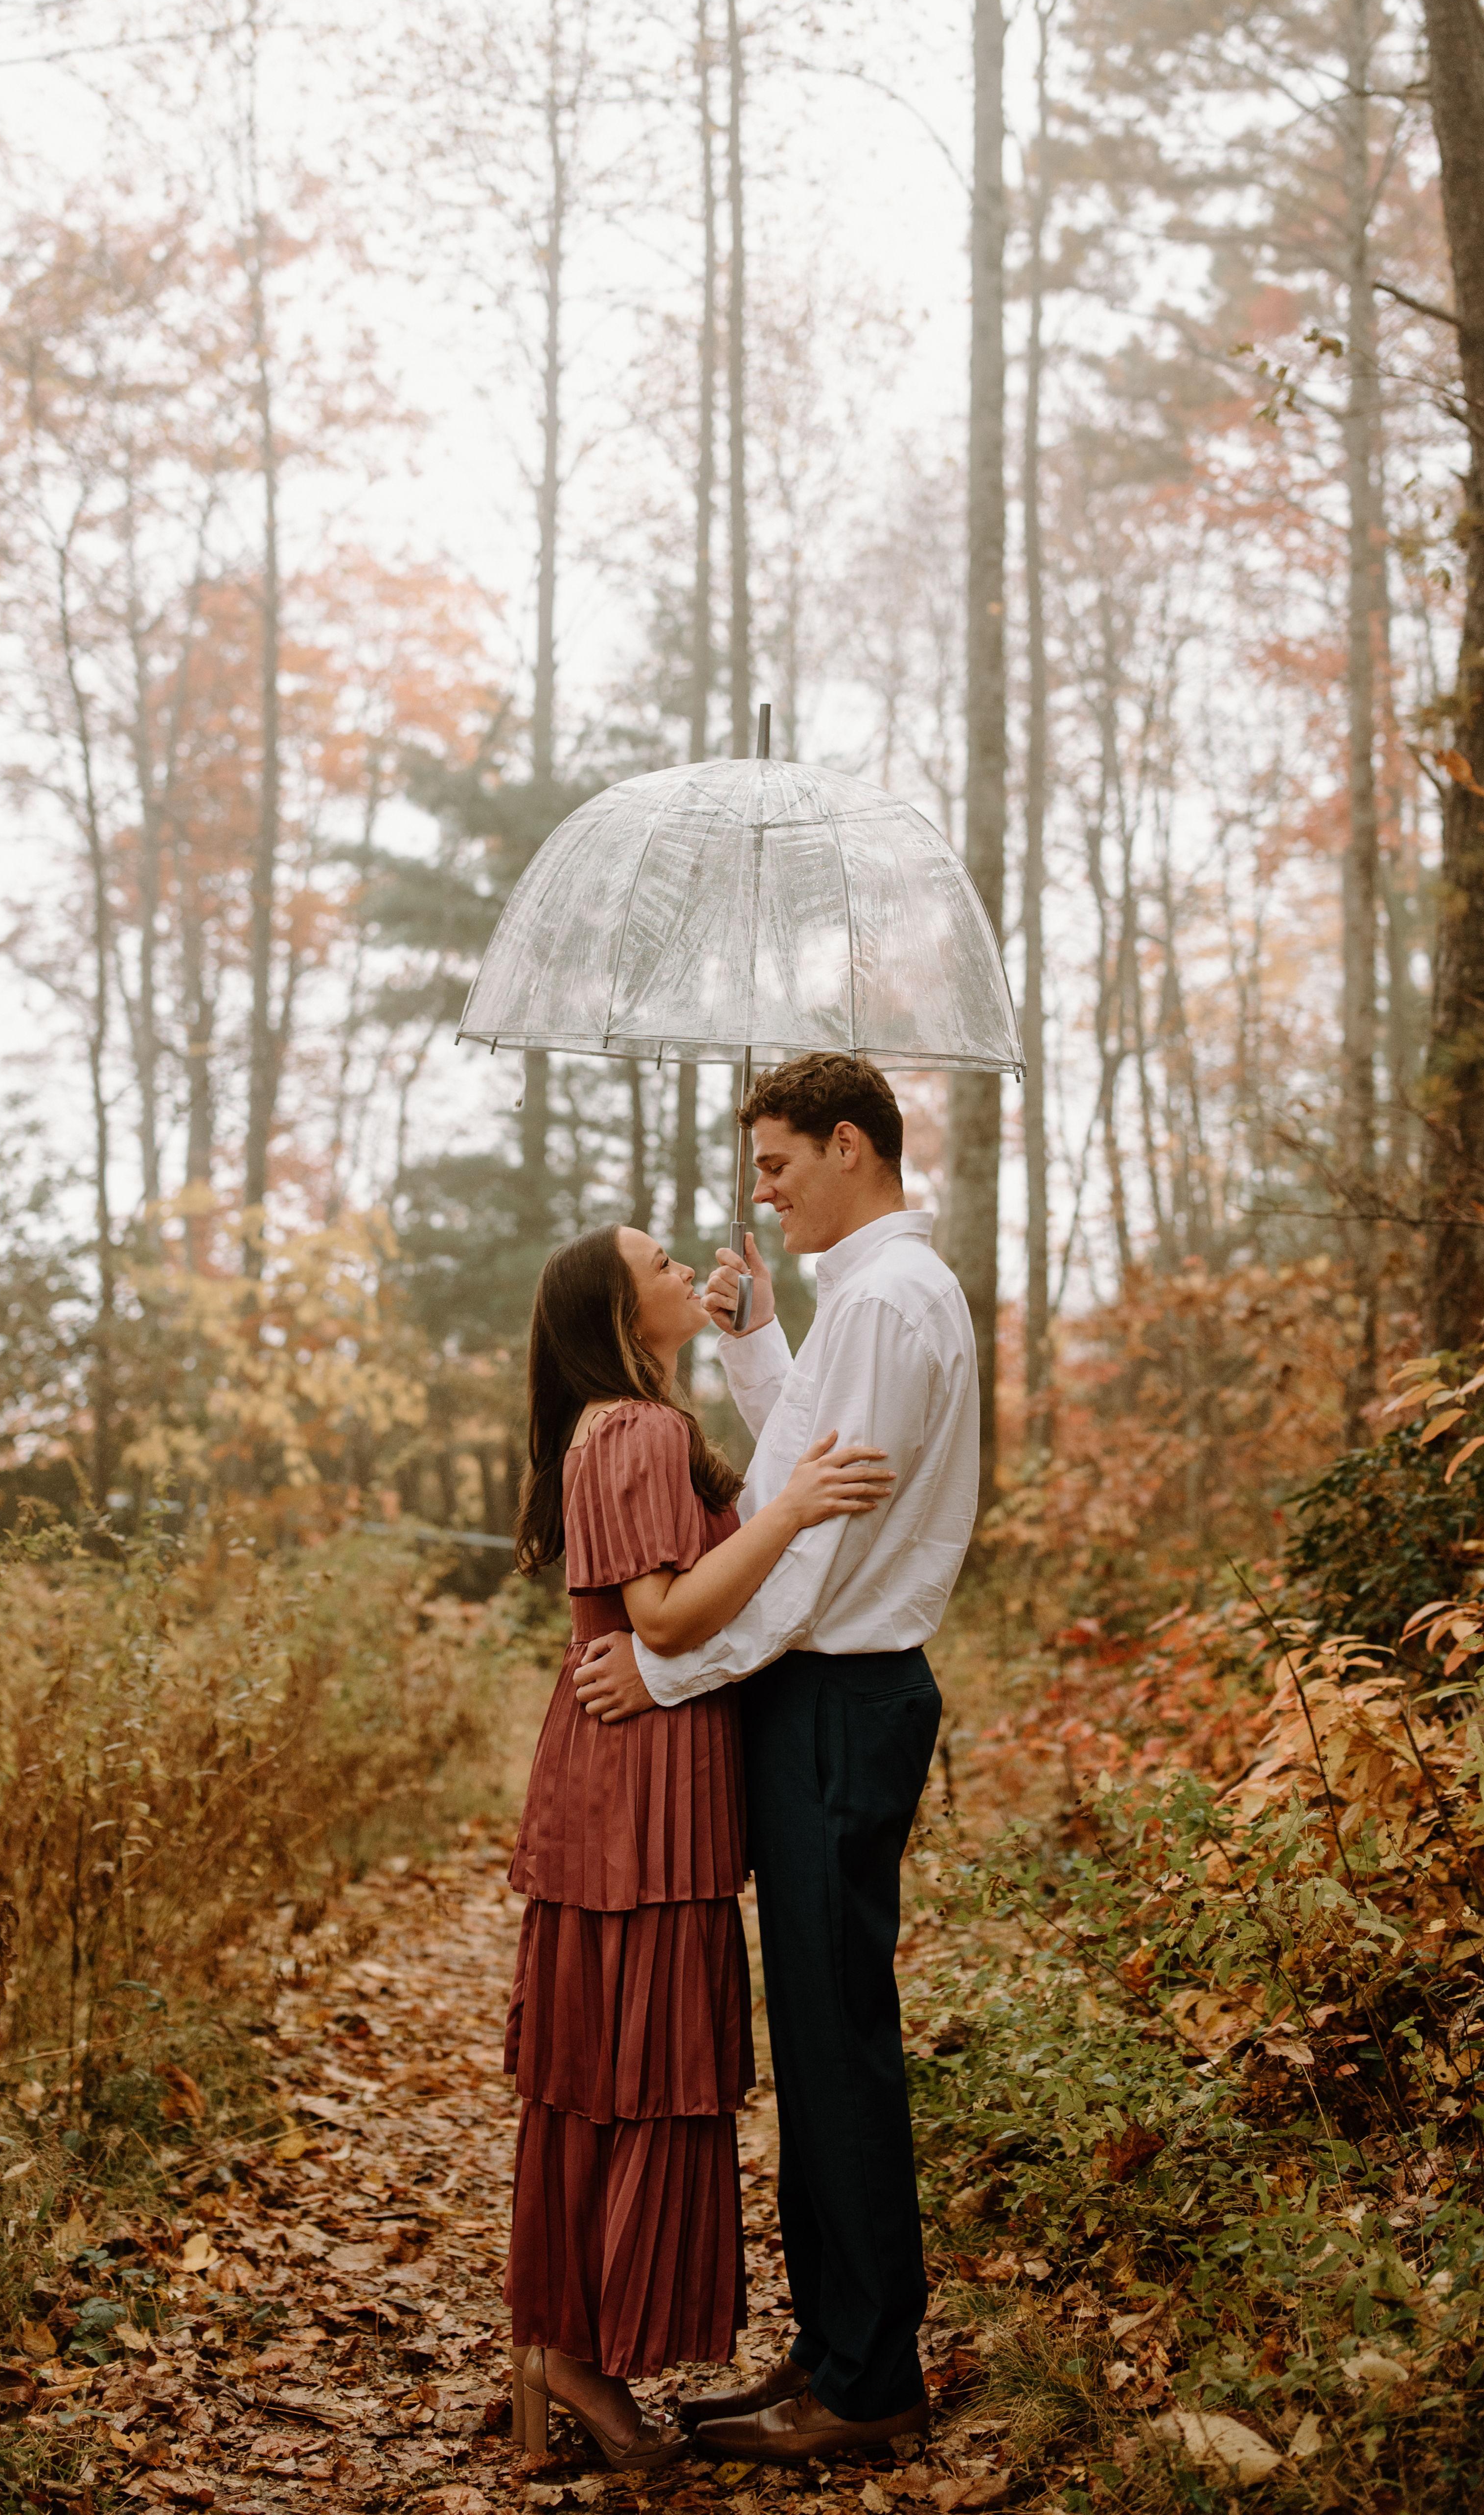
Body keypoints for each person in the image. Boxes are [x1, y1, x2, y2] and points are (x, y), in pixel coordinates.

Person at [571, 1054, 979, 2469]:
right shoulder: (875, 1298)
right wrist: (751, 1341)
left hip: (841, 1697)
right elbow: (807, 1463)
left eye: (777, 1162)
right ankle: (834, 2350)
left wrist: (667, 1664)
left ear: (850, 1146)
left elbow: (811, 1553)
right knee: (822, 2043)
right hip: (843, 1696)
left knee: (835, 2050)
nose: (759, 1190)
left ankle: (866, 2387)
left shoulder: (880, 1297)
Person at [502, 1221, 896, 2472]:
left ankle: (571, 2347)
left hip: (637, 1771)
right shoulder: (637, 1430)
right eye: (662, 1267)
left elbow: (678, 1586)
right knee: (630, 2067)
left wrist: (755, 1337)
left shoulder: (631, 1424)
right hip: (633, 1786)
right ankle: (576, 2356)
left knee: (611, 2069)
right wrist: (785, 1513)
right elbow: (665, 1614)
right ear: (620, 1314)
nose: (687, 1270)